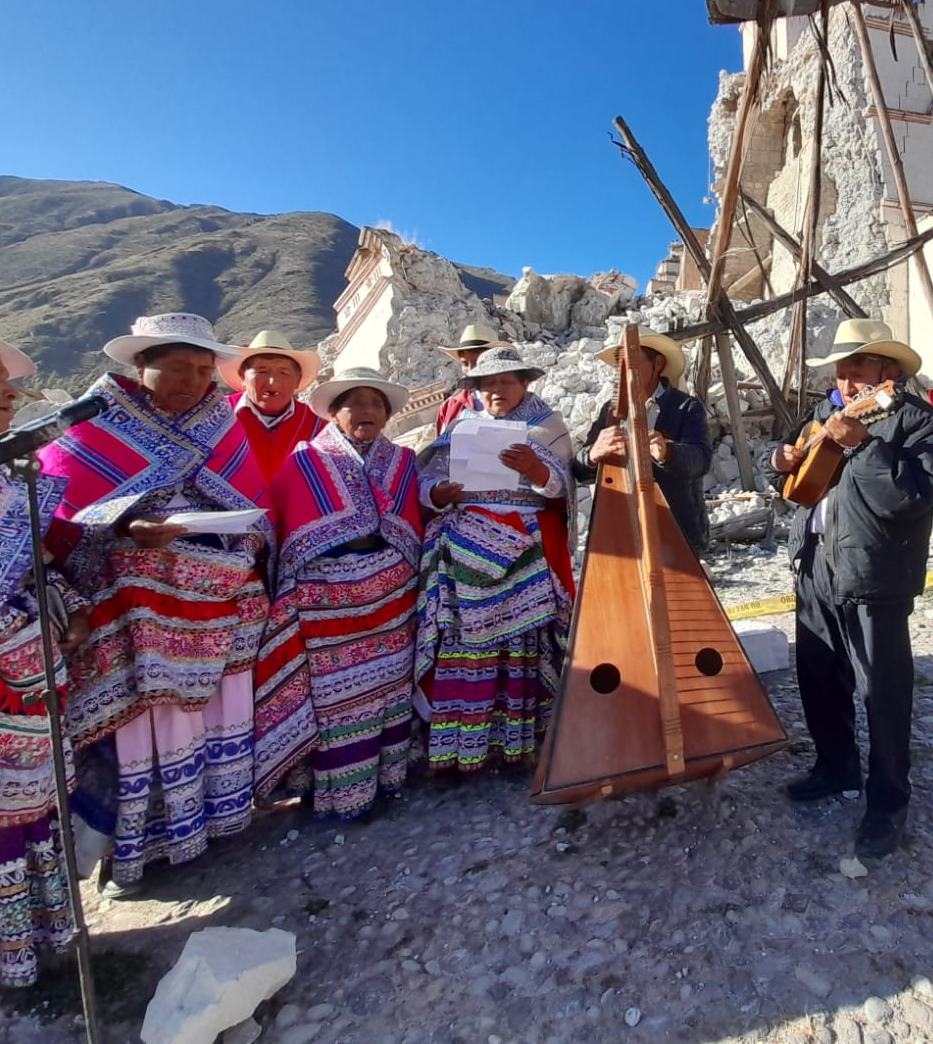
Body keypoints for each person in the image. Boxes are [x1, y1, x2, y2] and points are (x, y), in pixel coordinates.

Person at [40, 313, 272, 896]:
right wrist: (127, 526)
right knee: (140, 702)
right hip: (128, 591)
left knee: (240, 632)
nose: (193, 380)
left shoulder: (220, 421)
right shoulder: (93, 422)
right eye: (178, 368)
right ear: (141, 364)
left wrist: (227, 536)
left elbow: (250, 503)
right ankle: (130, 846)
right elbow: (60, 513)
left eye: (202, 369)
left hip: (216, 584)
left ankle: (214, 819)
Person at [765, 319, 933, 858]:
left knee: (883, 691)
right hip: (815, 564)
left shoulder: (921, 422)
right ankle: (835, 765)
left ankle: (889, 801)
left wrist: (865, 447)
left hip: (875, 571)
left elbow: (909, 501)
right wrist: (778, 463)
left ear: (887, 373)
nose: (846, 384)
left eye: (858, 372)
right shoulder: (826, 413)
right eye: (841, 374)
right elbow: (798, 483)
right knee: (819, 676)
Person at [0, 321, 86, 1017]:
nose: (13, 391)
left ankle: (29, 954)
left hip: (25, 696)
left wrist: (63, 602)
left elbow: (33, 562)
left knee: (28, 816)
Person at [253, 368, 422, 820]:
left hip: (392, 598)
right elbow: (281, 529)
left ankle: (390, 778)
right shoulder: (305, 461)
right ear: (334, 412)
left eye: (376, 404)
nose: (367, 411)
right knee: (339, 701)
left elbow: (412, 519)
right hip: (328, 603)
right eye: (355, 403)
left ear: (387, 414)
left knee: (391, 689)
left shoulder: (403, 460)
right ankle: (343, 794)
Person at [416, 347, 573, 773]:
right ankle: (457, 749)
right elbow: (427, 476)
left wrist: (538, 472)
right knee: (461, 647)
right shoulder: (461, 426)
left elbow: (564, 488)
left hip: (524, 551)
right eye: (487, 384)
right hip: (461, 555)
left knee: (518, 648)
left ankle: (513, 747)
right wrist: (438, 493)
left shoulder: (547, 427)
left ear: (525, 383)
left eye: (505, 381)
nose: (495, 390)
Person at [574, 332, 711, 557]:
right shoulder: (611, 410)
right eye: (621, 366)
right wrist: (591, 456)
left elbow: (701, 460)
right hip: (621, 533)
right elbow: (581, 472)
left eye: (632, 364)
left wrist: (669, 453)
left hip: (677, 532)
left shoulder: (686, 407)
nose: (624, 373)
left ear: (658, 364)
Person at [217, 331, 325, 482]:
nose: (273, 382)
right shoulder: (216, 415)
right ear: (243, 376)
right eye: (262, 371)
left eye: (284, 372)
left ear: (298, 379)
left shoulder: (319, 426)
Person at [433, 323, 507, 435]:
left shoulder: (520, 402)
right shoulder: (450, 407)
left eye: (478, 361)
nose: (471, 369)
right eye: (465, 363)